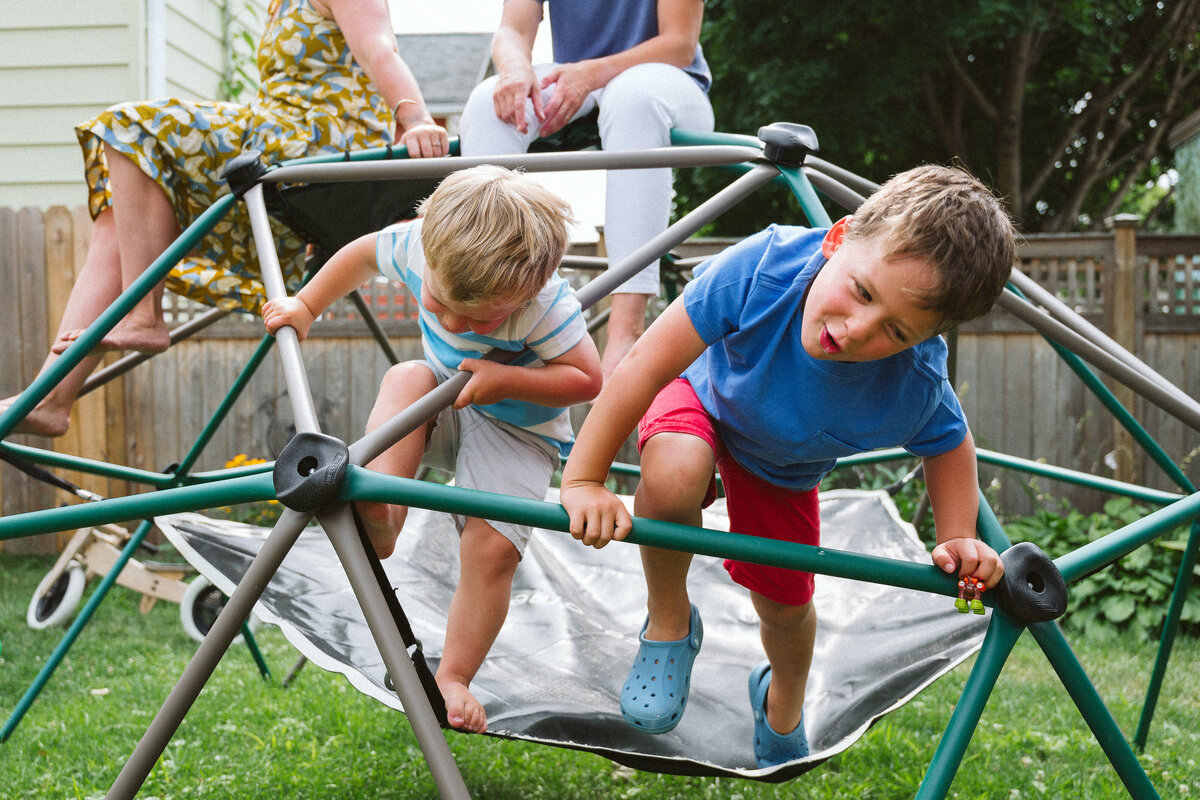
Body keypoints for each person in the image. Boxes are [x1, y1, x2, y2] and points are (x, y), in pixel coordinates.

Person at [559, 165, 1016, 766]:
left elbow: (950, 444)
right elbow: (644, 365)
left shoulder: (911, 381)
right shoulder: (763, 267)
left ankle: (783, 697)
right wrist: (584, 479)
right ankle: (669, 623)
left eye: (896, 331)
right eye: (862, 292)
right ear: (838, 239)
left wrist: (957, 535)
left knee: (786, 608)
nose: (856, 330)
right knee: (673, 469)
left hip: (779, 468)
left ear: (923, 339)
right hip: (700, 395)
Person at [2, 0, 449, 437]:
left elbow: (378, 49)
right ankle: (50, 398)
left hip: (318, 146)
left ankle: (143, 316)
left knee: (128, 127)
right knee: (120, 215)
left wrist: (415, 119)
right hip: (277, 145)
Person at [262, 165, 604, 733]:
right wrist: (306, 305)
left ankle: (455, 676)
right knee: (406, 378)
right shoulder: (420, 245)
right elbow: (360, 256)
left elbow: (584, 379)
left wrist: (506, 378)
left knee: (491, 550)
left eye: (477, 318)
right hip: (441, 404)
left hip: (519, 429)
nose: (449, 320)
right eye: (440, 303)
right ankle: (382, 512)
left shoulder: (544, 305)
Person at [458, 0, 715, 380]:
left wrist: (591, 73)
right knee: (487, 104)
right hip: (574, 80)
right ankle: (488, 304)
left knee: (632, 98)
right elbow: (513, 29)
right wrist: (514, 69)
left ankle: (626, 333)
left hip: (669, 79)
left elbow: (678, 44)